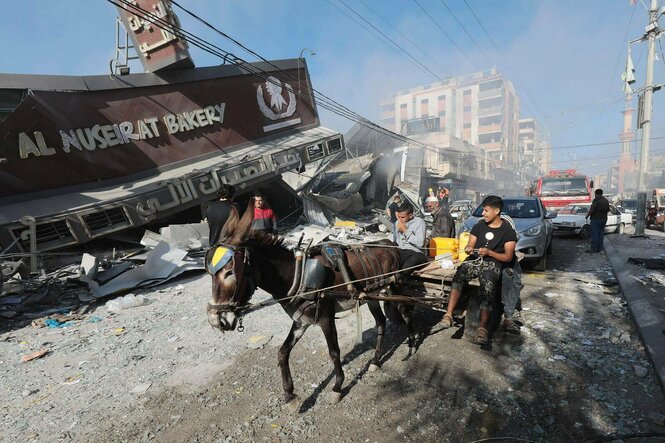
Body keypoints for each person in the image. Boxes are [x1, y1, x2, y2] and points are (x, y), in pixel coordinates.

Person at [441, 195, 517, 345]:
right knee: (460, 274)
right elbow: (470, 245)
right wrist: (469, 248)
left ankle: (482, 327)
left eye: (486, 210)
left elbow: (508, 257)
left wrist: (490, 253)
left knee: (488, 284)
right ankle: (448, 315)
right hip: (475, 261)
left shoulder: (507, 231)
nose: (483, 213)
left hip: (493, 263)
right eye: (483, 210)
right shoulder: (479, 226)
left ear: (497, 211)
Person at [395, 203, 428, 277]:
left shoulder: (419, 222)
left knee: (408, 265)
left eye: (402, 217)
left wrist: (405, 230)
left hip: (416, 253)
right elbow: (398, 241)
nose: (400, 219)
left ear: (410, 215)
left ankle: (402, 280)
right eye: (399, 217)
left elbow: (420, 243)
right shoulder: (398, 222)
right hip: (402, 251)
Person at [585, 189, 610, 253]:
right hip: (604, 219)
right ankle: (599, 248)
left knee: (595, 234)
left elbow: (592, 209)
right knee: (601, 234)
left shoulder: (596, 200)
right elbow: (608, 210)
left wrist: (587, 215)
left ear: (596, 194)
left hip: (596, 219)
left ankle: (593, 249)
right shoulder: (606, 200)